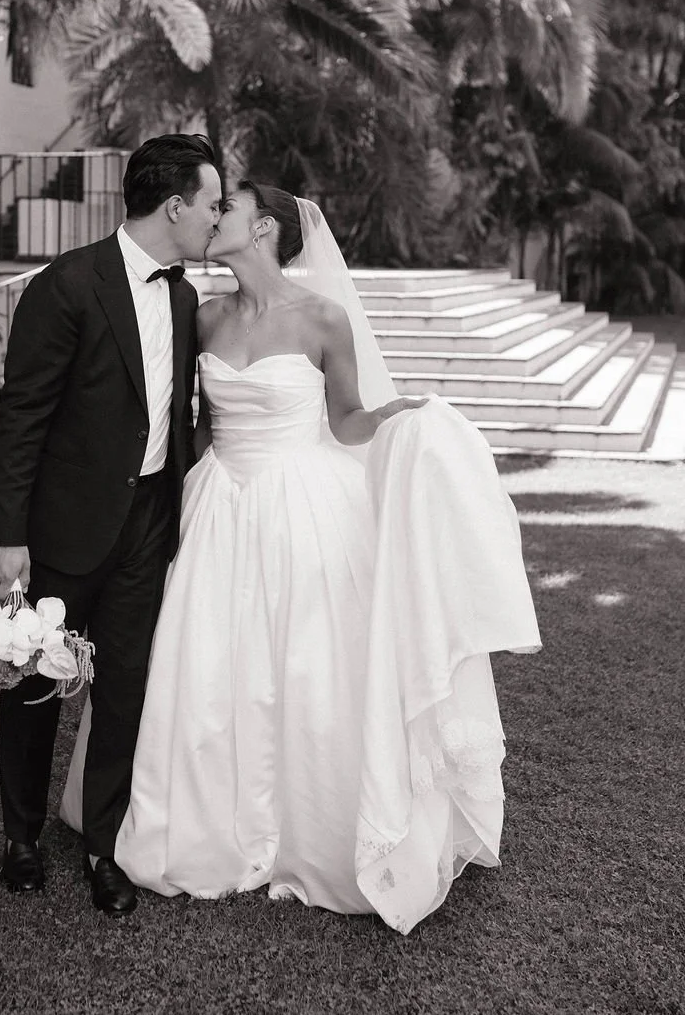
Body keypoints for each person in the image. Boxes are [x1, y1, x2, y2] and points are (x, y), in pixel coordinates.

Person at [60, 182, 541, 932]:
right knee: (207, 662)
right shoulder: (203, 315)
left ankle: (317, 827)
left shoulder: (323, 317)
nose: (213, 217)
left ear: (264, 228)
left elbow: (346, 419)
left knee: (311, 663)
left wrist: (397, 418)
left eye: (228, 208)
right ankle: (196, 821)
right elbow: (166, 406)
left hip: (303, 503)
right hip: (217, 505)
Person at [0, 133, 223, 915]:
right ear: (175, 206)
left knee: (126, 686)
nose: (216, 219)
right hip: (66, 525)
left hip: (151, 518)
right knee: (35, 684)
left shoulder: (185, 298)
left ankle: (103, 846)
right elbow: (22, 415)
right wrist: (5, 533)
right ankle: (20, 837)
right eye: (212, 206)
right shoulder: (68, 283)